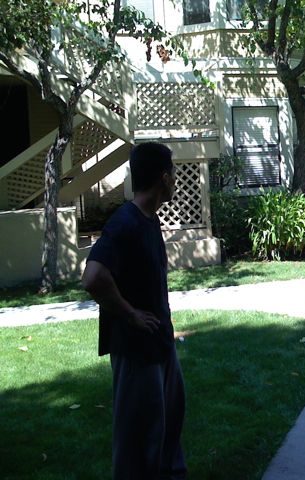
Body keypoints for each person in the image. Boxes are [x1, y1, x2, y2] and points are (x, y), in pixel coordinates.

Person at [82, 142, 187, 479]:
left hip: (160, 345)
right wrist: (130, 314)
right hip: (137, 351)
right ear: (163, 177)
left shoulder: (148, 220)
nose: (175, 181)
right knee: (136, 439)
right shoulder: (125, 222)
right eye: (172, 174)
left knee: (169, 424)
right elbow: (93, 277)